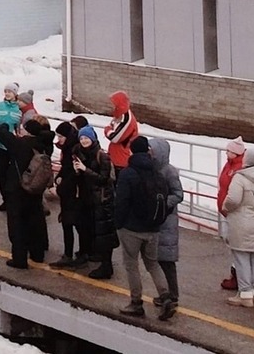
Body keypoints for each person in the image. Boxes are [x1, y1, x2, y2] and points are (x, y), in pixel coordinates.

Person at [114, 136, 175, 320]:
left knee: (131, 265)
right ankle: (166, 297)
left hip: (131, 228)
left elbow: (122, 201)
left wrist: (118, 223)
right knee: (153, 264)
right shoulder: (157, 173)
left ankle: (136, 303)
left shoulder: (128, 173)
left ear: (131, 151)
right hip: (153, 228)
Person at [0, 118, 52, 269]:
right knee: (35, 221)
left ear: (26, 131)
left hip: (17, 189)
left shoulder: (20, 144)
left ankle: (19, 259)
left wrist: (6, 124)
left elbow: (1, 133)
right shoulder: (45, 145)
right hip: (35, 190)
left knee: (17, 224)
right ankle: (37, 254)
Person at [73, 125, 117, 279]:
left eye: (86, 138)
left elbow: (104, 179)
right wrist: (78, 171)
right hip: (87, 198)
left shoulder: (102, 156)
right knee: (90, 229)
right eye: (82, 138)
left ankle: (106, 266)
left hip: (101, 200)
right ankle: (92, 255)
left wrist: (85, 170)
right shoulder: (79, 153)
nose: (84, 141)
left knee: (104, 233)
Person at [149, 137, 184, 309]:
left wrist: (162, 203)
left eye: (152, 150)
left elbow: (178, 194)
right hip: (157, 219)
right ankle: (165, 294)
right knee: (157, 259)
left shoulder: (169, 172)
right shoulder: (152, 169)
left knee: (167, 261)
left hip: (167, 221)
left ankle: (173, 295)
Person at [222, 149, 254, 307]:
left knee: (242, 259)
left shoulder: (240, 177)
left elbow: (233, 199)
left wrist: (225, 207)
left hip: (241, 224)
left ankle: (245, 295)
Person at [51, 121, 88, 269]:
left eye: (60, 136)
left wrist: (59, 189)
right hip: (75, 193)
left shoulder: (72, 151)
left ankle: (68, 255)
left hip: (72, 194)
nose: (58, 139)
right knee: (78, 224)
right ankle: (84, 252)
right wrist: (59, 176)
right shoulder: (71, 148)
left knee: (68, 223)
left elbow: (73, 174)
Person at [219, 136, 247, 290]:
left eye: (228, 151)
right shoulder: (230, 165)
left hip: (234, 213)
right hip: (227, 211)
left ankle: (240, 280)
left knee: (239, 248)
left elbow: (235, 196)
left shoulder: (239, 169)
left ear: (235, 153)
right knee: (232, 244)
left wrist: (226, 206)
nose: (225, 153)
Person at [0, 82, 22, 211]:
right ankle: (5, 199)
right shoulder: (0, 106)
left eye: (10, 91)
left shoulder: (18, 109)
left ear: (15, 93)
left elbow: (19, 128)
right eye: (5, 91)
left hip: (13, 146)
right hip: (1, 145)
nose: (7, 94)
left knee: (13, 173)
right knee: (2, 173)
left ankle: (13, 199)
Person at [105, 90, 138, 174]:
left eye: (113, 103)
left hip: (122, 160)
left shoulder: (127, 119)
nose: (112, 106)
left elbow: (115, 137)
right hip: (116, 156)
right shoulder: (120, 115)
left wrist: (107, 130)